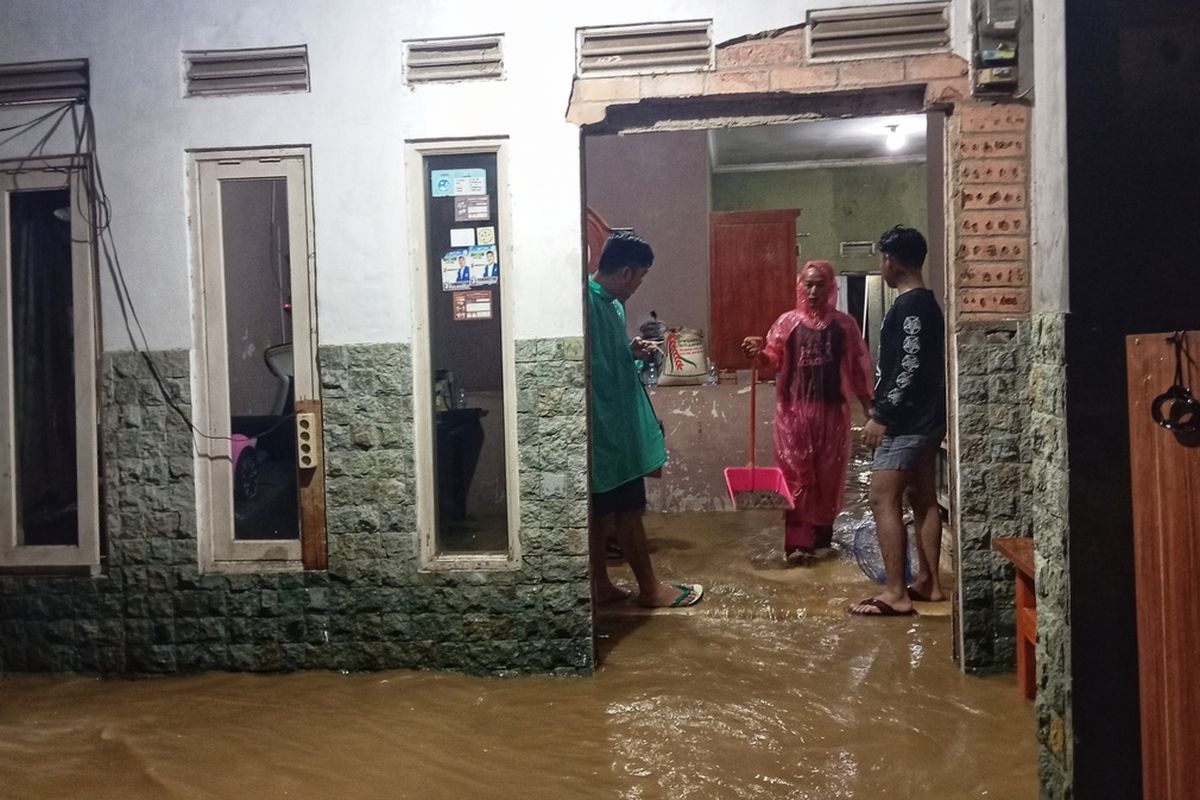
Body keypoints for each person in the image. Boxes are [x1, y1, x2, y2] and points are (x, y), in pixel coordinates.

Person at [588, 231, 704, 608]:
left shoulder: (613, 307)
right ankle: (650, 591)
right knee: (626, 512)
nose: (639, 284)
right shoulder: (586, 304)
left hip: (619, 422)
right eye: (640, 276)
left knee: (602, 514)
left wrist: (630, 350)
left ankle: (600, 585)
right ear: (626, 271)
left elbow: (607, 357)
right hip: (605, 429)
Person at [741, 260, 875, 563]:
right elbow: (772, 360)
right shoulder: (787, 323)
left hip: (833, 415)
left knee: (828, 477)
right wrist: (757, 354)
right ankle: (797, 543)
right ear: (800, 287)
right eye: (808, 285)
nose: (813, 291)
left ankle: (821, 538)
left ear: (830, 288)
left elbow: (858, 368)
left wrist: (869, 407)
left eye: (820, 285)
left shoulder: (844, 325)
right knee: (796, 476)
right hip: (793, 414)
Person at [850, 226, 946, 617]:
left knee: (881, 496)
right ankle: (929, 583)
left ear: (890, 260)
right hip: (926, 419)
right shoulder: (925, 304)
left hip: (908, 423)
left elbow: (907, 368)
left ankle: (896, 593)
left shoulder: (910, 307)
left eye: (882, 258)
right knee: (923, 498)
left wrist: (882, 415)